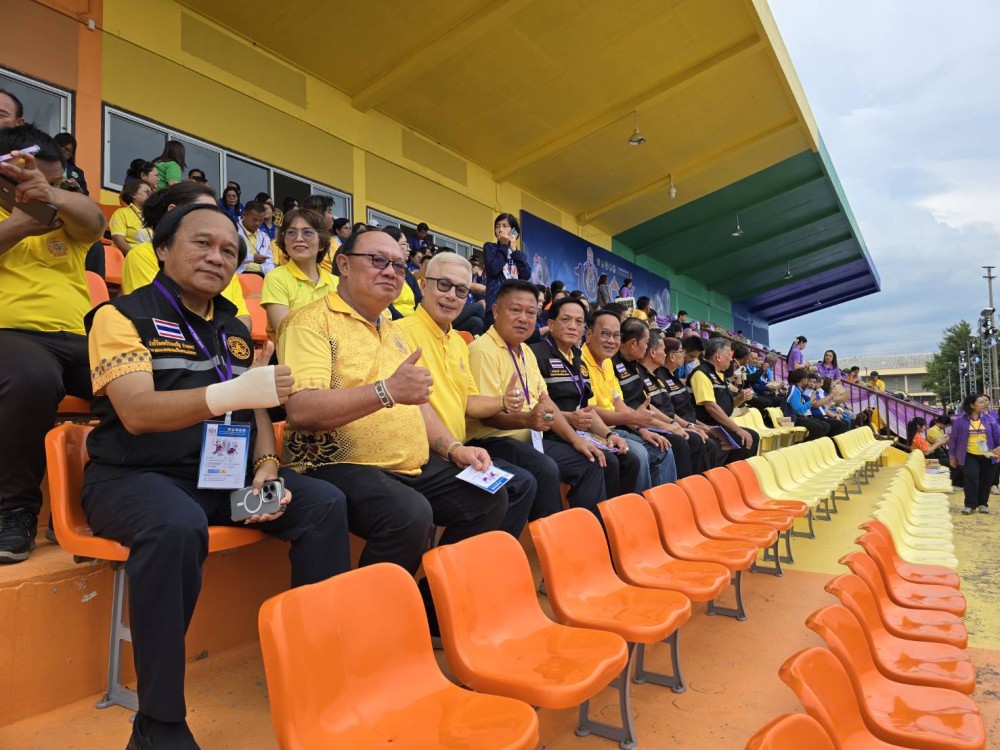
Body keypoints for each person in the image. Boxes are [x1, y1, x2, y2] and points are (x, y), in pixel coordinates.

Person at [83, 202, 350, 749]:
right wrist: (231, 392)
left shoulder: (233, 325)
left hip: (219, 482)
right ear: (162, 249)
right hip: (134, 479)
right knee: (175, 526)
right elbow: (136, 412)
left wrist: (266, 467)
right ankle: (158, 723)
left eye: (229, 250)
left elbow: (255, 410)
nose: (217, 257)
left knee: (323, 502)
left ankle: (314, 674)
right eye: (202, 243)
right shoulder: (120, 316)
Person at [278, 229, 507, 623]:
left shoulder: (393, 330)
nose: (391, 271)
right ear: (344, 265)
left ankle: (431, 608)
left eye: (399, 265)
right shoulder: (310, 322)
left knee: (489, 495)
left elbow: (418, 404)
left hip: (408, 465)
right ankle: (367, 624)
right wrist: (386, 391)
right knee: (409, 515)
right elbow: (302, 409)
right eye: (377, 261)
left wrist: (454, 449)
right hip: (333, 464)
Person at [0, 125, 106, 562]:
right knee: (33, 378)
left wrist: (52, 195)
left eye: (56, 181)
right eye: (32, 179)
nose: (45, 190)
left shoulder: (64, 217)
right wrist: (21, 223)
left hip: (77, 339)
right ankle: (15, 511)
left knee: (133, 381)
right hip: (11, 335)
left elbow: (96, 221)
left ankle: (97, 498)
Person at [397, 254, 542, 536]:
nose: (452, 296)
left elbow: (470, 403)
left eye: (461, 290)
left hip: (456, 451)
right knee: (493, 497)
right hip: (423, 453)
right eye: (444, 285)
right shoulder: (400, 333)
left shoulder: (458, 342)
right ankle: (453, 565)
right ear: (423, 285)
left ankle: (484, 560)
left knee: (522, 484)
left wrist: (503, 402)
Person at [467, 279, 609, 516]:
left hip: (531, 438)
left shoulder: (526, 351)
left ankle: (590, 531)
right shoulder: (483, 350)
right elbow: (487, 418)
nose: (524, 318)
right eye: (516, 310)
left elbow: (546, 404)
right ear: (496, 311)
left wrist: (576, 440)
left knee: (589, 460)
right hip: (493, 441)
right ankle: (553, 537)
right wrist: (528, 420)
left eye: (531, 313)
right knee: (546, 468)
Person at [529, 296, 642, 500]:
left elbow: (587, 410)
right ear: (551, 324)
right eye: (566, 320)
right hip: (548, 434)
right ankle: (592, 518)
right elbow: (536, 408)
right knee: (601, 462)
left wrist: (609, 435)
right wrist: (569, 418)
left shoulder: (577, 359)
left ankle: (617, 515)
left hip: (580, 432)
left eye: (579, 322)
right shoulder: (535, 355)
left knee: (628, 459)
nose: (573, 326)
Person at [121, 181, 252, 333]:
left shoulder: (222, 263)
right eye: (202, 212)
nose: (213, 220)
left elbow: (243, 322)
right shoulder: (142, 255)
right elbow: (152, 315)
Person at [582, 309, 676, 491]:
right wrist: (632, 419)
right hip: (592, 430)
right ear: (589, 335)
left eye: (616, 335)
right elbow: (590, 411)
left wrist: (641, 430)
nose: (611, 341)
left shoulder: (607, 362)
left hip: (614, 428)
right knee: (639, 454)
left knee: (662, 448)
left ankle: (662, 503)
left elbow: (617, 401)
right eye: (605, 334)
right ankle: (636, 506)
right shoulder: (580, 361)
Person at [615, 319, 705, 477]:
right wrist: (665, 426)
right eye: (646, 342)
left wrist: (673, 423)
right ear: (634, 343)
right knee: (677, 443)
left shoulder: (633, 366)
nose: (646, 347)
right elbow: (622, 405)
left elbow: (647, 405)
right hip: (626, 424)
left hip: (640, 422)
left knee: (696, 439)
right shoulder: (617, 364)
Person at [637, 328, 719, 472]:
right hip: (653, 425)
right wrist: (674, 425)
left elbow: (669, 411)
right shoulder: (643, 375)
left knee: (708, 441)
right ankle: (687, 484)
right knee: (691, 440)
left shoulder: (656, 376)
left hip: (672, 423)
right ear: (653, 352)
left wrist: (687, 425)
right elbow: (648, 408)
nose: (665, 354)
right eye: (681, 351)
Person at [261, 208, 338, 341]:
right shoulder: (276, 277)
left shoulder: (337, 283)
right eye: (291, 232)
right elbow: (286, 331)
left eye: (307, 232)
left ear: (321, 244)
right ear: (284, 241)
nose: (298, 238)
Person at [688, 337, 759, 462]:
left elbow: (727, 405)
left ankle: (733, 470)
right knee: (746, 438)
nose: (731, 359)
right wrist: (737, 429)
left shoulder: (719, 374)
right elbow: (712, 407)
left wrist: (741, 398)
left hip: (720, 424)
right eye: (729, 355)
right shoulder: (701, 373)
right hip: (707, 425)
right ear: (718, 356)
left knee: (752, 436)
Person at [948, 393, 1000, 515]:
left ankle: (983, 504)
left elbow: (998, 434)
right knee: (971, 478)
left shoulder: (990, 419)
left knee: (986, 480)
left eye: (985, 402)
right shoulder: (959, 421)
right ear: (972, 405)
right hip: (969, 455)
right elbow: (953, 440)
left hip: (988, 454)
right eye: (980, 402)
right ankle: (969, 505)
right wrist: (952, 456)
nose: (984, 404)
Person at [483, 213, 529, 315]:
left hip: (515, 305)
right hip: (495, 304)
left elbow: (526, 275)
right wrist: (504, 245)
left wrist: (514, 251)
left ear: (513, 231)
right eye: (497, 226)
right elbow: (493, 269)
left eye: (505, 226)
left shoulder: (519, 254)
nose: (500, 229)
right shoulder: (490, 247)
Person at [383, 226, 421, 318]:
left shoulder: (407, 273)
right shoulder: (382, 270)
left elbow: (419, 299)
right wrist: (403, 321)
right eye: (404, 244)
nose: (409, 249)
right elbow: (384, 303)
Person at [108, 178, 153, 254]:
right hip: (128, 257)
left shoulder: (151, 216)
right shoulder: (122, 213)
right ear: (133, 195)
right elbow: (118, 240)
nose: (151, 196)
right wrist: (135, 255)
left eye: (151, 193)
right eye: (147, 192)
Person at [785, 369, 830, 441]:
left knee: (826, 426)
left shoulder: (797, 388)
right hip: (793, 417)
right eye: (807, 379)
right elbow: (799, 410)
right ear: (803, 380)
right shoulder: (794, 389)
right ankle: (804, 444)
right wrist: (810, 402)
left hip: (799, 416)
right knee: (818, 427)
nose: (808, 381)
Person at [235, 200, 275, 276]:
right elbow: (230, 255)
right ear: (244, 215)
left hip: (261, 275)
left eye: (261, 220)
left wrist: (271, 276)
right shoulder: (233, 231)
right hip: (238, 274)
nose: (257, 223)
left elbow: (269, 260)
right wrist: (252, 258)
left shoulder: (264, 236)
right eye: (254, 219)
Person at [803, 372, 849, 437]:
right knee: (841, 425)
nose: (812, 384)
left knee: (844, 422)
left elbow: (823, 409)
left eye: (814, 382)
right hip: (816, 416)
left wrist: (835, 416)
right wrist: (830, 395)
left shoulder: (815, 392)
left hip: (823, 414)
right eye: (810, 381)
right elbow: (815, 405)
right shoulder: (806, 392)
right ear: (806, 382)